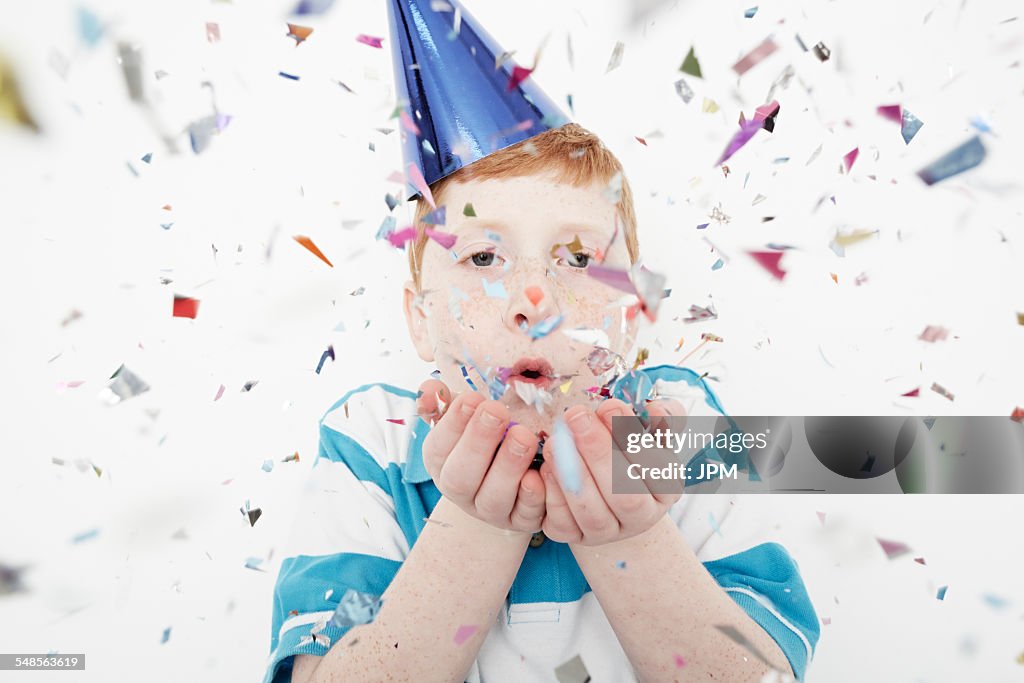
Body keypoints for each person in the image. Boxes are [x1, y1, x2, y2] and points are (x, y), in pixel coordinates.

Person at [263, 2, 818, 681]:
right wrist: (477, 523)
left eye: (579, 260)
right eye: (482, 258)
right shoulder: (367, 438)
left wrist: (633, 535)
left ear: (634, 312)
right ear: (419, 318)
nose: (537, 302)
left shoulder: (677, 422)